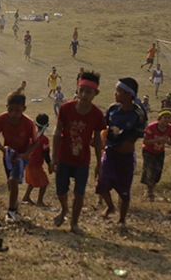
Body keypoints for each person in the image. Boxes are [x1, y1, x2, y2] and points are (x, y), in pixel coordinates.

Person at [51, 71, 106, 234]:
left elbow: (97, 140)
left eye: (88, 92)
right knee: (61, 191)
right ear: (77, 88)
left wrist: (99, 163)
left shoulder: (97, 114)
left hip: (82, 160)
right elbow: (57, 131)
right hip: (63, 157)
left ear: (95, 93)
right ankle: (64, 209)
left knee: (79, 193)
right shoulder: (66, 108)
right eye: (81, 90)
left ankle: (74, 223)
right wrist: (54, 157)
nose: (83, 94)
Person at [96, 77, 147, 224]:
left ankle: (122, 220)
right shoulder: (113, 110)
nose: (115, 94)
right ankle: (110, 207)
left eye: (119, 91)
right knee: (102, 183)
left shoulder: (137, 114)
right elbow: (103, 127)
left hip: (126, 158)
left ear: (129, 95)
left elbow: (135, 136)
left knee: (124, 192)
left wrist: (121, 135)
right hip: (110, 153)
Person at [0, 91, 38, 223]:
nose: (14, 114)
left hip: (22, 155)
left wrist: (26, 154)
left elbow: (36, 141)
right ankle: (15, 204)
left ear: (24, 109)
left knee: (13, 180)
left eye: (17, 111)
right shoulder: (1, 119)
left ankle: (11, 211)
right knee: (10, 182)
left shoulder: (28, 123)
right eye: (10, 110)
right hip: (9, 155)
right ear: (6, 107)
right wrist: (2, 149)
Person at [141, 110, 171, 201]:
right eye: (165, 117)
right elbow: (145, 141)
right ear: (159, 119)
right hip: (148, 151)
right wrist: (156, 140)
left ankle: (151, 189)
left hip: (160, 152)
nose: (167, 120)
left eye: (169, 118)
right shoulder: (151, 127)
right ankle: (149, 191)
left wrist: (167, 141)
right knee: (150, 170)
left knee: (158, 171)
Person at [23, 114, 51, 207]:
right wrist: (50, 164)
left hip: (28, 162)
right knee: (44, 183)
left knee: (31, 181)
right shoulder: (44, 139)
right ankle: (40, 201)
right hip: (35, 164)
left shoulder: (31, 136)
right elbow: (46, 154)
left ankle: (26, 197)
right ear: (47, 125)